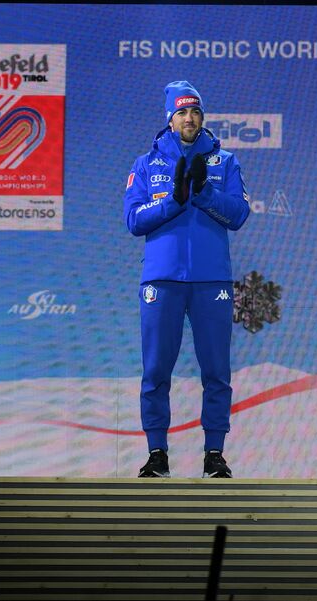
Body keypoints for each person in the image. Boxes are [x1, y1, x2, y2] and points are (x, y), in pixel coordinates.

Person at [124, 81, 251, 477]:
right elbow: (133, 220)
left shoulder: (225, 161)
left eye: (195, 112)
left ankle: (214, 453)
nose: (190, 118)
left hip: (211, 280)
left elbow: (240, 215)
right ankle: (157, 453)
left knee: (216, 370)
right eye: (182, 112)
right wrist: (174, 200)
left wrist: (204, 194)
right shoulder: (146, 164)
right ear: (170, 118)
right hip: (161, 280)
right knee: (156, 369)